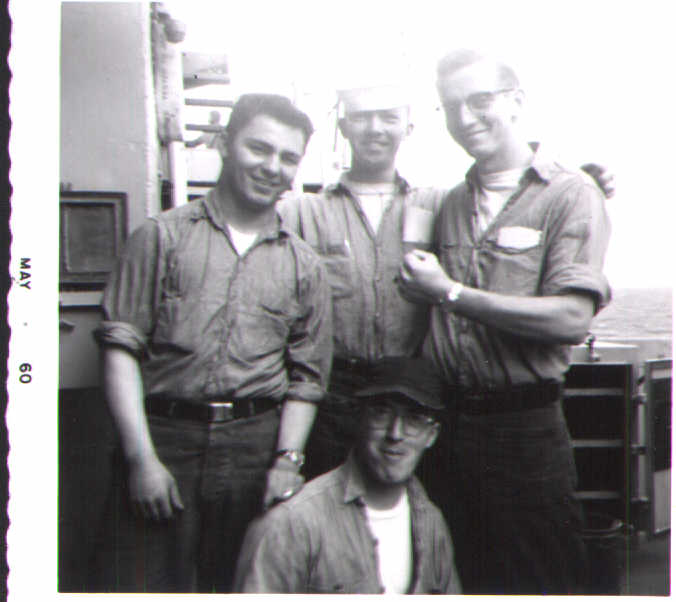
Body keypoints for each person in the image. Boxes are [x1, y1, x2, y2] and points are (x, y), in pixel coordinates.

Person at [279, 81, 614, 481]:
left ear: (408, 126)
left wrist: (585, 178)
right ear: (343, 126)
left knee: (413, 513)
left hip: (412, 399)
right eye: (362, 117)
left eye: (388, 117)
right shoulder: (302, 212)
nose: (375, 128)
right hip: (333, 400)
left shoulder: (442, 204)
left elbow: (507, 202)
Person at [91, 94, 332, 593]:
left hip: (255, 450)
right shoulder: (160, 238)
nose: (272, 167)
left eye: (288, 157)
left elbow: (307, 380)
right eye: (258, 148)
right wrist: (141, 460)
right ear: (225, 143)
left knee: (241, 586)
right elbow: (119, 350)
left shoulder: (305, 265)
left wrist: (287, 462)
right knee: (139, 585)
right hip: (165, 441)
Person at [398, 49, 612, 594]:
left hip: (524, 431)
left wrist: (449, 292)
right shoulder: (449, 202)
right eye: (451, 106)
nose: (465, 118)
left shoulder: (570, 193)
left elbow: (571, 318)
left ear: (516, 102)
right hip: (448, 428)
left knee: (539, 580)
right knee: (456, 578)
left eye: (479, 101)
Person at [233, 357, 462, 594]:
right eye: (381, 413)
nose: (395, 433)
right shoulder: (291, 524)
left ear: (431, 435)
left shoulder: (431, 523)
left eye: (414, 419)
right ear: (358, 418)